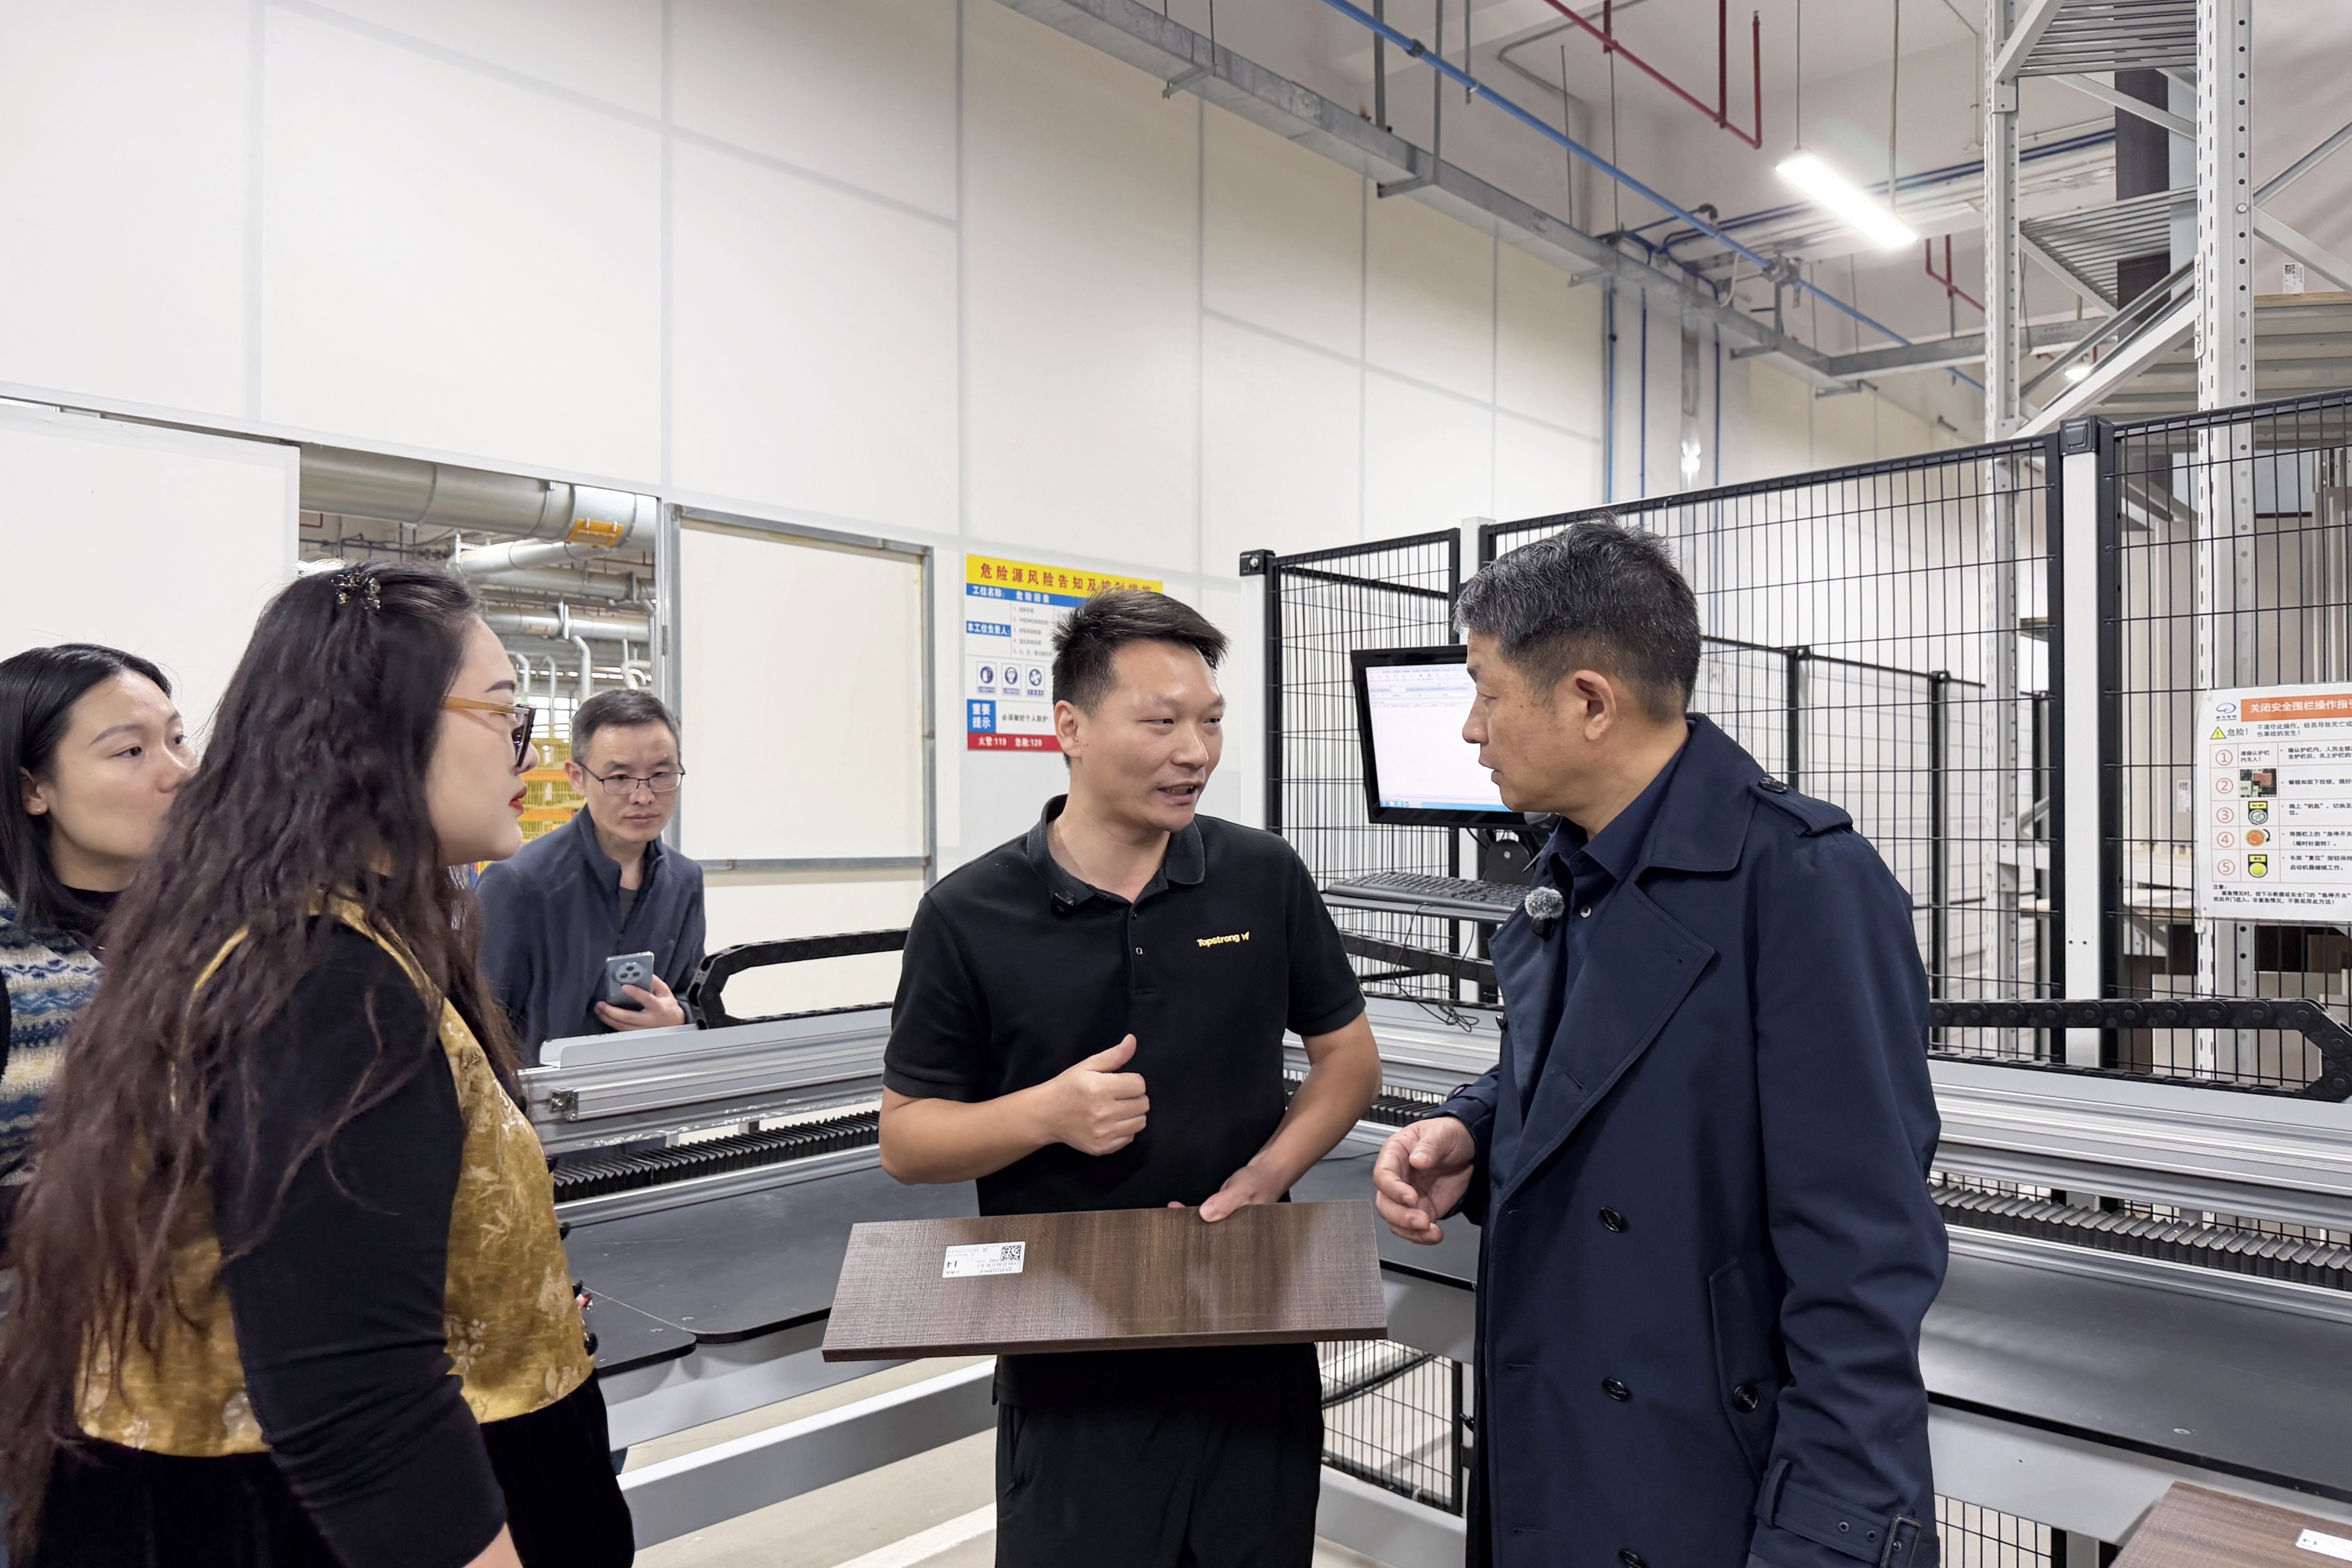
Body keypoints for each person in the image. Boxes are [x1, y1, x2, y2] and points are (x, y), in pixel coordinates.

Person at [0, 563, 631, 1568]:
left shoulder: (330, 937)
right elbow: (356, 1402)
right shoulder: (322, 981)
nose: (526, 749)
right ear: (380, 730)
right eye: (502, 712)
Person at [1371, 523, 1946, 1568]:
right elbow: (1591, 1066)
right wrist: (1475, 1128)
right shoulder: (1574, 872)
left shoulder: (1803, 883)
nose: (1469, 729)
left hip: (1705, 1472)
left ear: (1589, 702)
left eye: (1486, 694)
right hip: (1565, 1435)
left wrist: (1826, 1539)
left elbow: (1862, 1263)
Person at [880, 589, 1381, 1568]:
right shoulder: (968, 914)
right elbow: (906, 1138)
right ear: (1069, 727)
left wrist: (1269, 1174)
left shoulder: (1262, 875)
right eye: (1160, 723)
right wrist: (1046, 1114)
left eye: (1210, 722)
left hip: (1252, 1337)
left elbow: (1348, 1058)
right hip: (1073, 1367)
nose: (1194, 752)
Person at [0, 644, 195, 1231]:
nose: (179, 771)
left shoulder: (220, 929)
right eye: (131, 751)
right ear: (33, 790)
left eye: (178, 739)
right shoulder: (12, 962)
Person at [477, 688, 704, 1063]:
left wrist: (678, 1017)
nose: (643, 796)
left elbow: (694, 995)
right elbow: (478, 1025)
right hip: (543, 1097)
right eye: (620, 777)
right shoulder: (518, 884)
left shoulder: (685, 881)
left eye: (661, 774)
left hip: (647, 1088)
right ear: (577, 778)